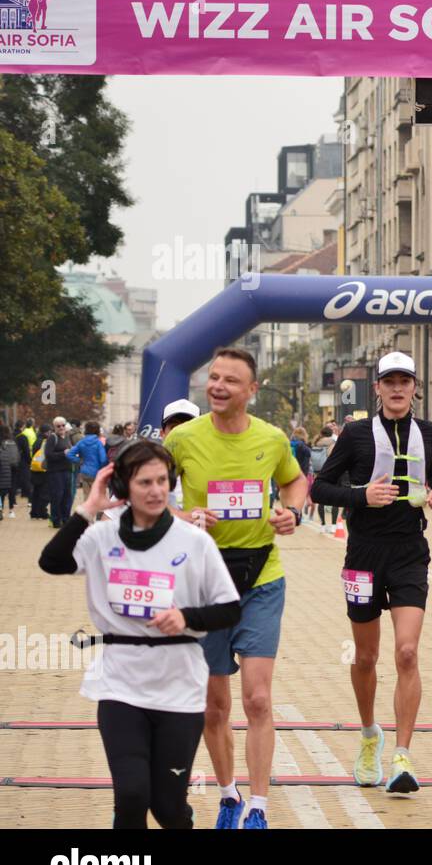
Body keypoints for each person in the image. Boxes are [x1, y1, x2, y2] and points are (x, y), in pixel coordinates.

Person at [37, 442, 241, 828]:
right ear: (124, 488)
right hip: (120, 684)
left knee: (167, 808)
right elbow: (52, 562)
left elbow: (229, 608)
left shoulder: (194, 541)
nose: (155, 490)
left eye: (162, 481)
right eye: (145, 482)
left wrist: (185, 616)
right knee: (131, 796)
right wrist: (87, 510)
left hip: (179, 687)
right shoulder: (102, 536)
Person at [164, 346, 307, 829]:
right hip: (203, 582)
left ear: (252, 390)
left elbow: (294, 482)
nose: (218, 386)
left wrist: (292, 511)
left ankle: (260, 806)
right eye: (213, 378)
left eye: (230, 380)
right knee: (214, 703)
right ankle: (228, 795)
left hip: (262, 577)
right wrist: (184, 516)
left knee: (258, 699)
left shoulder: (271, 438)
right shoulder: (183, 439)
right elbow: (147, 491)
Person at [310, 352, 432, 794]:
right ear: (378, 388)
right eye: (388, 381)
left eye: (404, 381)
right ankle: (370, 733)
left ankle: (403, 757)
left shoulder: (428, 433)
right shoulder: (354, 434)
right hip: (363, 555)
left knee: (407, 652)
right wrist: (360, 495)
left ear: (414, 388)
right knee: (366, 657)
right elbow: (319, 486)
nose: (396, 388)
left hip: (410, 552)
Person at [43, 417, 76, 528]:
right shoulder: (52, 438)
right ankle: (56, 520)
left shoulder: (66, 437)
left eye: (63, 425)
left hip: (67, 470)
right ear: (54, 427)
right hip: (55, 472)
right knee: (57, 496)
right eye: (58, 426)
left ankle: (65, 518)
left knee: (68, 496)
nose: (61, 427)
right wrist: (63, 453)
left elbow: (69, 451)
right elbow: (48, 455)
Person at [29, 424, 50, 520]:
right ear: (46, 432)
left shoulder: (36, 441)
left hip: (34, 469)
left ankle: (34, 512)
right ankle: (42, 512)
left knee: (36, 492)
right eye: (49, 431)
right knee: (44, 492)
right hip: (43, 470)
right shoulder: (45, 442)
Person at [0, 425, 17, 517]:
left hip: (3, 467)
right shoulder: (13, 440)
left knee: (1, 490)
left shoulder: (1, 442)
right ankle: (11, 510)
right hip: (13, 467)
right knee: (11, 489)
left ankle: (1, 509)